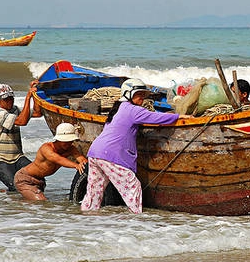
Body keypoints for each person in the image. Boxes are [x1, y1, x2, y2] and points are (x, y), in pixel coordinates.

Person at [80, 78, 190, 214]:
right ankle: (136, 220)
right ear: (128, 94)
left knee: (94, 193)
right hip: (110, 155)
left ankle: (85, 218)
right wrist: (179, 117)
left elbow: (149, 116)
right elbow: (156, 118)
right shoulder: (132, 110)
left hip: (95, 153)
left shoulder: (119, 107)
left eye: (143, 95)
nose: (142, 98)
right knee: (133, 186)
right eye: (139, 94)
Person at [0, 81, 43, 191]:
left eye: (11, 98)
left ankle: (24, 205)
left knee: (40, 179)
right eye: (6, 99)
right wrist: (28, 98)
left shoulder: (15, 109)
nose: (9, 101)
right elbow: (22, 121)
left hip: (18, 157)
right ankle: (12, 203)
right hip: (0, 158)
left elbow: (38, 113)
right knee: (16, 187)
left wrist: (34, 95)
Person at [14, 123, 87, 201]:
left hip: (40, 180)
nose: (68, 143)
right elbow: (58, 159)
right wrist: (76, 165)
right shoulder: (46, 148)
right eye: (65, 141)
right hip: (25, 179)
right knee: (42, 202)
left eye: (70, 140)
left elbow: (82, 160)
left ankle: (19, 204)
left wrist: (85, 164)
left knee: (34, 203)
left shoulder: (71, 149)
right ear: (58, 139)